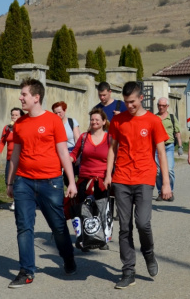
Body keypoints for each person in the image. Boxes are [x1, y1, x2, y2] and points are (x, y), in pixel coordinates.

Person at [6, 79, 77, 288]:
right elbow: (15, 155)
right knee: (23, 227)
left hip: (51, 182)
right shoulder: (19, 123)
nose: (20, 98)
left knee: (58, 227)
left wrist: (71, 182)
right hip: (24, 182)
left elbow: (64, 152)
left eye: (24, 95)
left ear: (36, 97)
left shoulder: (54, 121)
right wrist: (10, 182)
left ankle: (68, 258)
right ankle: (26, 271)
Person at [104, 81, 171, 289]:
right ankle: (128, 270)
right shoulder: (118, 120)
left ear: (141, 98)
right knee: (124, 227)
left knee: (143, 223)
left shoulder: (153, 121)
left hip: (144, 177)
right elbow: (112, 149)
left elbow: (161, 153)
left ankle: (149, 254)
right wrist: (108, 174)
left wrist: (166, 184)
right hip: (122, 178)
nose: (129, 106)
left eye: (132, 102)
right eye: (126, 102)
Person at [69, 107, 112, 251]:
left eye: (97, 120)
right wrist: (67, 160)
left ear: (104, 122)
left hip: (102, 180)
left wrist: (109, 176)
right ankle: (83, 239)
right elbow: (74, 154)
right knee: (83, 209)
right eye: (92, 119)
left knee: (101, 209)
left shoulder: (109, 138)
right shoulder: (83, 137)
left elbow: (115, 158)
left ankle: (102, 238)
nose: (94, 122)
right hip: (84, 179)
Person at [0, 107, 23, 210]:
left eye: (16, 115)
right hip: (9, 159)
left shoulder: (23, 127)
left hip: (21, 159)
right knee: (8, 179)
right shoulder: (7, 128)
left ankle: (17, 201)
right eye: (12, 115)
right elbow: (2, 142)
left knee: (19, 180)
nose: (14, 117)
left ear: (21, 116)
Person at [155, 98, 182, 202]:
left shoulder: (171, 117)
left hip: (169, 146)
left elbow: (177, 132)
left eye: (163, 105)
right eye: (159, 105)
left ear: (167, 106)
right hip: (157, 147)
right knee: (157, 172)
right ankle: (160, 192)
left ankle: (170, 191)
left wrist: (180, 146)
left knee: (169, 170)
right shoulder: (154, 117)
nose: (161, 107)